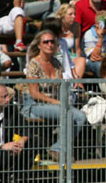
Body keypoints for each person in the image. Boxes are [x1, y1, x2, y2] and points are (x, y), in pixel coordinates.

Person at [21, 30, 88, 161]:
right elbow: (34, 93)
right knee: (67, 112)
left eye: (52, 41)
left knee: (81, 116)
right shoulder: (34, 64)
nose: (50, 44)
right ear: (39, 45)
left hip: (54, 104)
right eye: (46, 42)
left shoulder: (57, 63)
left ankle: (57, 147)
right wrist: (57, 102)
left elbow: (61, 87)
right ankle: (59, 150)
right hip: (35, 105)